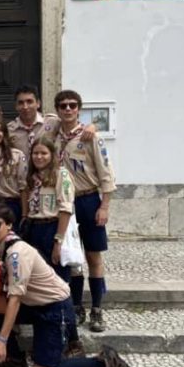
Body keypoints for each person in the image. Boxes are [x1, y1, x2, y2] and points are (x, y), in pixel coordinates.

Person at [0, 202, 131, 367]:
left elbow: (15, 299)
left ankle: (103, 361)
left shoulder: (16, 254)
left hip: (55, 308)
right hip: (35, 304)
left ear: (9, 225)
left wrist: (1, 340)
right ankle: (14, 358)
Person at [48, 90, 116, 334]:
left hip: (88, 200)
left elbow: (106, 173)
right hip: (64, 204)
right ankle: (76, 306)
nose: (68, 109)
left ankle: (97, 308)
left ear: (79, 109)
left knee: (93, 257)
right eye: (63, 105)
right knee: (72, 259)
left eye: (72, 105)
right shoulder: (53, 135)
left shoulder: (90, 137)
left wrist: (104, 206)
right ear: (57, 109)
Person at [24, 137, 85, 357]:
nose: (39, 157)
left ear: (52, 155)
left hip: (52, 230)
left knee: (59, 287)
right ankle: (45, 339)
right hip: (34, 229)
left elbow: (65, 209)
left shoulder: (61, 175)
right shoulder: (32, 178)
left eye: (43, 153)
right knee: (38, 288)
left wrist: (58, 241)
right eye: (35, 153)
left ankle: (73, 340)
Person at [8, 84, 97, 161]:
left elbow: (72, 124)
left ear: (38, 103)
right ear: (16, 106)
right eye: (21, 103)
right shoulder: (9, 130)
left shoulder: (52, 122)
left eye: (29, 102)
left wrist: (92, 126)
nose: (25, 107)